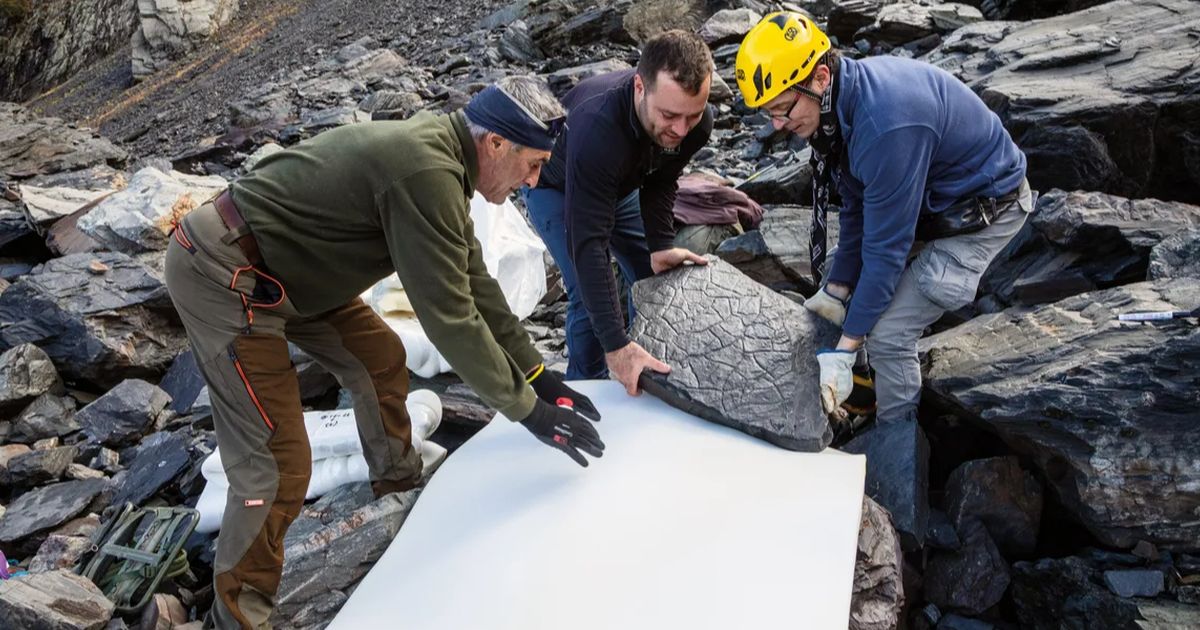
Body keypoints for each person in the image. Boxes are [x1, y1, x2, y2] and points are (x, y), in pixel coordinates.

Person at [164, 75, 605, 629]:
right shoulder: (425, 171)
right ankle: (238, 617)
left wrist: (539, 374)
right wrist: (529, 412)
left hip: (295, 271)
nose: (535, 180)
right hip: (224, 275)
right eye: (533, 164)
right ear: (495, 144)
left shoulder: (443, 163)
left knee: (379, 359)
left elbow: (474, 281)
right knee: (277, 465)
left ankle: (396, 487)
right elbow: (452, 320)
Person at [734, 13, 1033, 424]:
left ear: (820, 77)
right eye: (770, 114)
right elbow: (857, 207)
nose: (779, 125)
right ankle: (860, 391)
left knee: (889, 333)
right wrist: (835, 292)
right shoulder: (843, 104)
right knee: (842, 282)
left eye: (784, 109)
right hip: (933, 204)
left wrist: (847, 347)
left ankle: (894, 438)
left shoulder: (885, 127)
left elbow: (886, 253)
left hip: (984, 215)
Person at [524, 29, 715, 393]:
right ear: (639, 88)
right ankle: (586, 386)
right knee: (588, 287)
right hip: (556, 186)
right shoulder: (597, 126)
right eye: (670, 115)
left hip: (622, 181)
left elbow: (662, 179)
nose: (680, 129)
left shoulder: (694, 123)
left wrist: (660, 244)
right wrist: (615, 344)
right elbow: (589, 243)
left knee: (652, 274)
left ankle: (655, 366)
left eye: (691, 116)